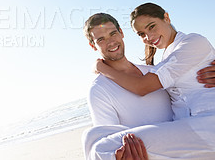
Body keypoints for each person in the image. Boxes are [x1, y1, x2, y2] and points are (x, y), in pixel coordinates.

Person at [82, 9, 215, 159]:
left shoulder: (151, 72)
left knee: (101, 149)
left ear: (121, 33)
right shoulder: (99, 89)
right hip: (174, 147)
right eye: (101, 39)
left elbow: (142, 87)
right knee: (91, 135)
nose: (111, 42)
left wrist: (100, 67)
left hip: (196, 134)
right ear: (93, 46)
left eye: (113, 33)